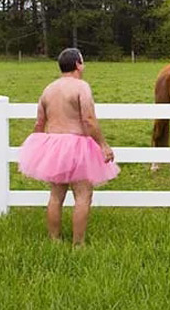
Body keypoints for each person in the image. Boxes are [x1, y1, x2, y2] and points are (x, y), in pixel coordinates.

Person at [18, 48, 119, 245]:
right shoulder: (81, 87)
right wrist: (103, 144)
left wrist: (37, 151)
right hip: (77, 146)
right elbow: (88, 120)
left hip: (55, 146)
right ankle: (78, 243)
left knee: (56, 196)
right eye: (83, 61)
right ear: (78, 65)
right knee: (83, 195)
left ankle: (54, 240)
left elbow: (39, 124)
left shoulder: (48, 89)